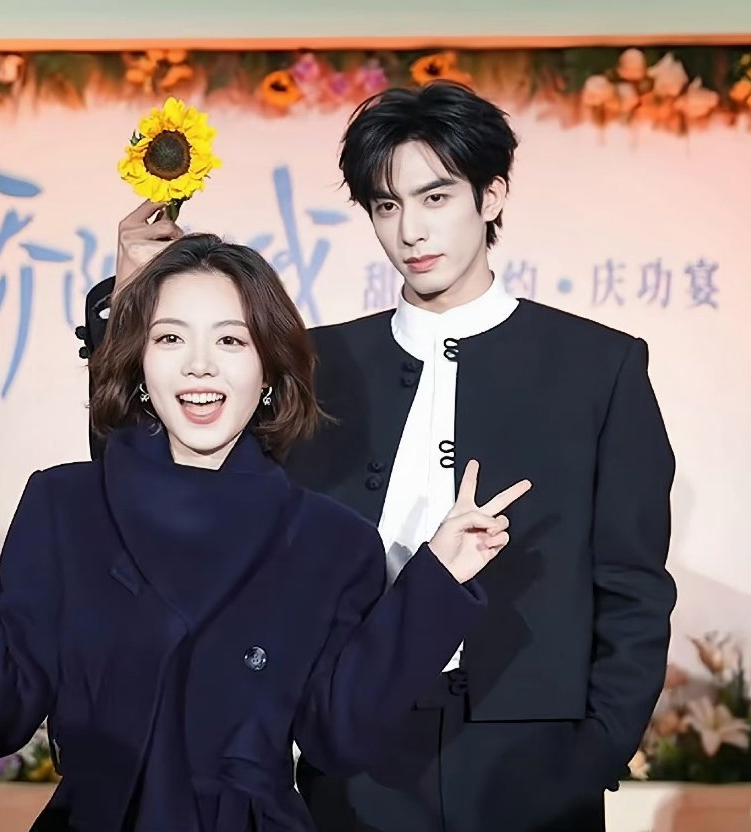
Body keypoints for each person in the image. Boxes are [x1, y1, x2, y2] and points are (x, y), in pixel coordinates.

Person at [81, 80, 676, 831]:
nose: (411, 231)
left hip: (534, 759)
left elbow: (632, 584)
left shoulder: (598, 366)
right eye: (387, 206)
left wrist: (596, 751)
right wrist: (128, 304)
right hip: (354, 751)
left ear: (492, 196)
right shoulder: (316, 362)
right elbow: (159, 489)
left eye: (436, 198)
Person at [0, 233, 532, 832]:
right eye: (170, 339)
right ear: (137, 363)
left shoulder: (331, 540)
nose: (199, 366)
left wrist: (436, 580)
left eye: (230, 341)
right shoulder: (64, 504)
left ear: (269, 371)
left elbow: (337, 736)